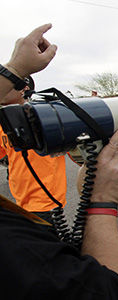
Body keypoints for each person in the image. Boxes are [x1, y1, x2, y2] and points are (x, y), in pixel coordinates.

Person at [0, 24, 118, 298]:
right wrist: (101, 201)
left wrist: (13, 69)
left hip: (49, 200)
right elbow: (110, 292)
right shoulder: (18, 250)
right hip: (28, 203)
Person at [0, 75, 67, 225]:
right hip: (20, 200)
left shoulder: (46, 116)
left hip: (46, 201)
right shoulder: (4, 122)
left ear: (24, 88)